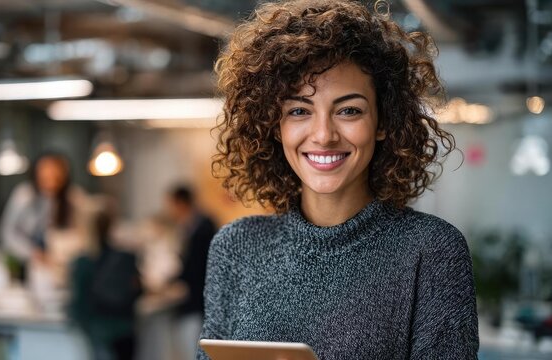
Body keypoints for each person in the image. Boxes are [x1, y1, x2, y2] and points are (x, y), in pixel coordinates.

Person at [199, 0, 479, 359]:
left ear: (382, 122)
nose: (323, 135)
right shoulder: (236, 247)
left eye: (348, 110)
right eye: (299, 110)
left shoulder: (431, 251)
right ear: (274, 125)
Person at [0, 151, 96, 289]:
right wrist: (32, 253)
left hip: (65, 268)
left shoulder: (75, 198)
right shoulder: (24, 195)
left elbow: (87, 233)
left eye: (55, 169)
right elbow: (7, 233)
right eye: (46, 169)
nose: (50, 174)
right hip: (28, 266)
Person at [68, 208, 141, 360]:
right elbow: (138, 291)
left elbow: (78, 305)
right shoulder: (125, 257)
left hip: (101, 334)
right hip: (127, 332)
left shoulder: (83, 262)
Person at [166, 186, 217, 360]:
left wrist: (177, 280)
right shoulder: (190, 226)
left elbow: (195, 266)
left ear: (180, 203)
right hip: (197, 297)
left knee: (196, 347)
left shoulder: (202, 227)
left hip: (199, 299)